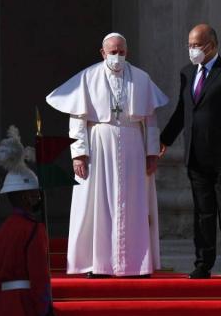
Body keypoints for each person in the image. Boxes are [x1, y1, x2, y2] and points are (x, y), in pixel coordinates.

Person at [46, 32, 168, 277]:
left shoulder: (141, 79)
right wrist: (79, 154)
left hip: (133, 145)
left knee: (133, 202)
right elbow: (78, 118)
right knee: (98, 202)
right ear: (103, 53)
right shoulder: (88, 77)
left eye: (122, 52)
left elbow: (150, 120)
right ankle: (98, 264)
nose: (117, 56)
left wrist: (151, 152)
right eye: (113, 52)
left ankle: (136, 263)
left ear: (127, 52)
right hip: (99, 144)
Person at [159, 23, 221, 280]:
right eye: (190, 45)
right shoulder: (187, 73)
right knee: (203, 213)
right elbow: (183, 111)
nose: (192, 50)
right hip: (196, 157)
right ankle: (203, 264)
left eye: (197, 45)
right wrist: (163, 139)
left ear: (211, 45)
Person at [0, 126, 55, 316]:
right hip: (24, 308)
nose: (38, 197)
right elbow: (39, 275)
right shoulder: (33, 229)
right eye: (35, 193)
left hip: (2, 308)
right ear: (25, 196)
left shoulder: (3, 230)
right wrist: (45, 312)